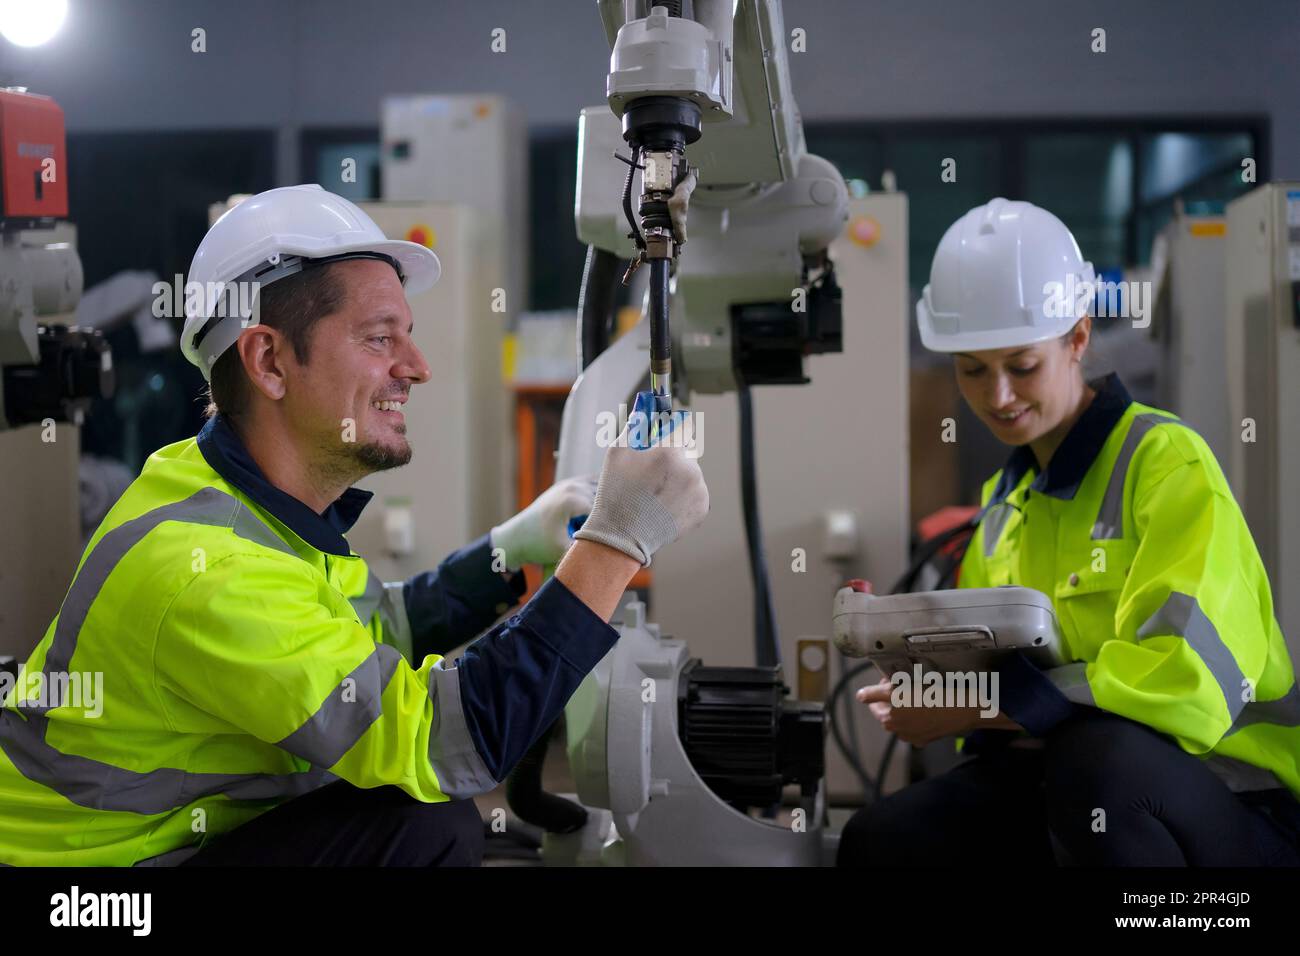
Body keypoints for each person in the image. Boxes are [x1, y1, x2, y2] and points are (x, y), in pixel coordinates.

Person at [0, 184, 709, 866]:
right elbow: (449, 745)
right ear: (270, 361)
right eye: (380, 339)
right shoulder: (212, 571)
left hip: (170, 843)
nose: (418, 367)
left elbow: (373, 636)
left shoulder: (227, 491)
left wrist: (510, 549)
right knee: (424, 828)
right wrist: (615, 544)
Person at [838, 198, 1300, 867]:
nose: (997, 396)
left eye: (1021, 366)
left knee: (1099, 764)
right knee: (885, 839)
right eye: (973, 369)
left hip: (1232, 803)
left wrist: (976, 705)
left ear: (1078, 338)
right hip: (1071, 789)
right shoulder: (1001, 503)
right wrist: (934, 690)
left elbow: (1183, 682)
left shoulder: (1165, 462)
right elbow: (997, 680)